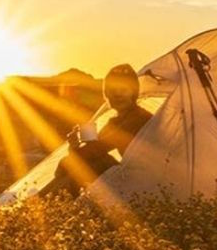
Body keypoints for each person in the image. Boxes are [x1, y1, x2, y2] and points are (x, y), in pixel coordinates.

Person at [38, 64, 152, 198]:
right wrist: (78, 144)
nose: (118, 94)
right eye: (113, 90)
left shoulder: (139, 118)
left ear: (133, 92)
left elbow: (97, 149)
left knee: (89, 167)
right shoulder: (116, 121)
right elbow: (95, 146)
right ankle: (39, 203)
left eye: (123, 89)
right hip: (130, 176)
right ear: (106, 94)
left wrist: (73, 153)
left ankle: (41, 204)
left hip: (146, 181)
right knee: (85, 164)